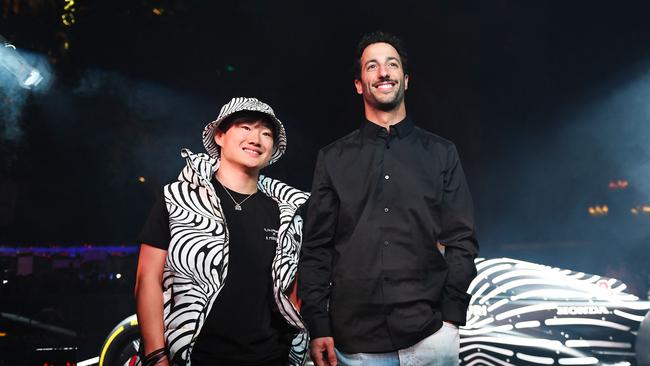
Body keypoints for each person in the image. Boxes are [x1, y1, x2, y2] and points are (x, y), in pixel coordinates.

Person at [298, 31, 479, 366]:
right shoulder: (332, 158)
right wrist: (318, 325)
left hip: (430, 337)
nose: (383, 72)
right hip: (353, 344)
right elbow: (316, 250)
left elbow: (462, 239)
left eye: (391, 64)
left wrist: (451, 317)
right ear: (358, 83)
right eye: (372, 66)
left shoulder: (441, 153)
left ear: (405, 80)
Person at [135, 97, 309, 366]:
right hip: (196, 358)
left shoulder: (286, 212)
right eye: (245, 127)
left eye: (266, 132)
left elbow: (292, 293)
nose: (256, 138)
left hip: (270, 357)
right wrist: (156, 355)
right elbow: (147, 279)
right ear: (219, 135)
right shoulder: (177, 198)